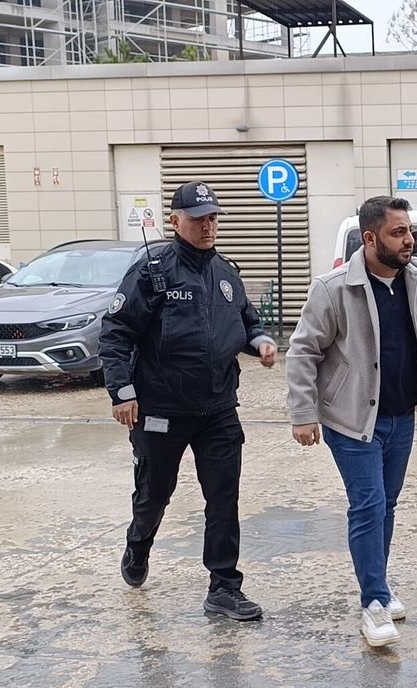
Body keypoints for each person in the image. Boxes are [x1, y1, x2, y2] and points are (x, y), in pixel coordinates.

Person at [286, 195, 417, 648]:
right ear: (370, 238)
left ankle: (378, 586)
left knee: (387, 505)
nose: (409, 240)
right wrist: (302, 413)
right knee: (368, 505)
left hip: (402, 416)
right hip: (351, 419)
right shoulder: (333, 288)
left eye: (409, 230)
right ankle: (374, 602)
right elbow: (303, 351)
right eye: (398, 232)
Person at [100, 180, 277, 621]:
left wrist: (260, 342)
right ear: (175, 221)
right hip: (161, 408)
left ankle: (224, 587)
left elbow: (247, 323)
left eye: (213, 218)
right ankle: (139, 544)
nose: (207, 226)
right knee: (155, 493)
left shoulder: (226, 273)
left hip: (218, 408)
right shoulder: (152, 272)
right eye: (198, 219)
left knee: (223, 498)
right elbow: (116, 334)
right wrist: (122, 392)